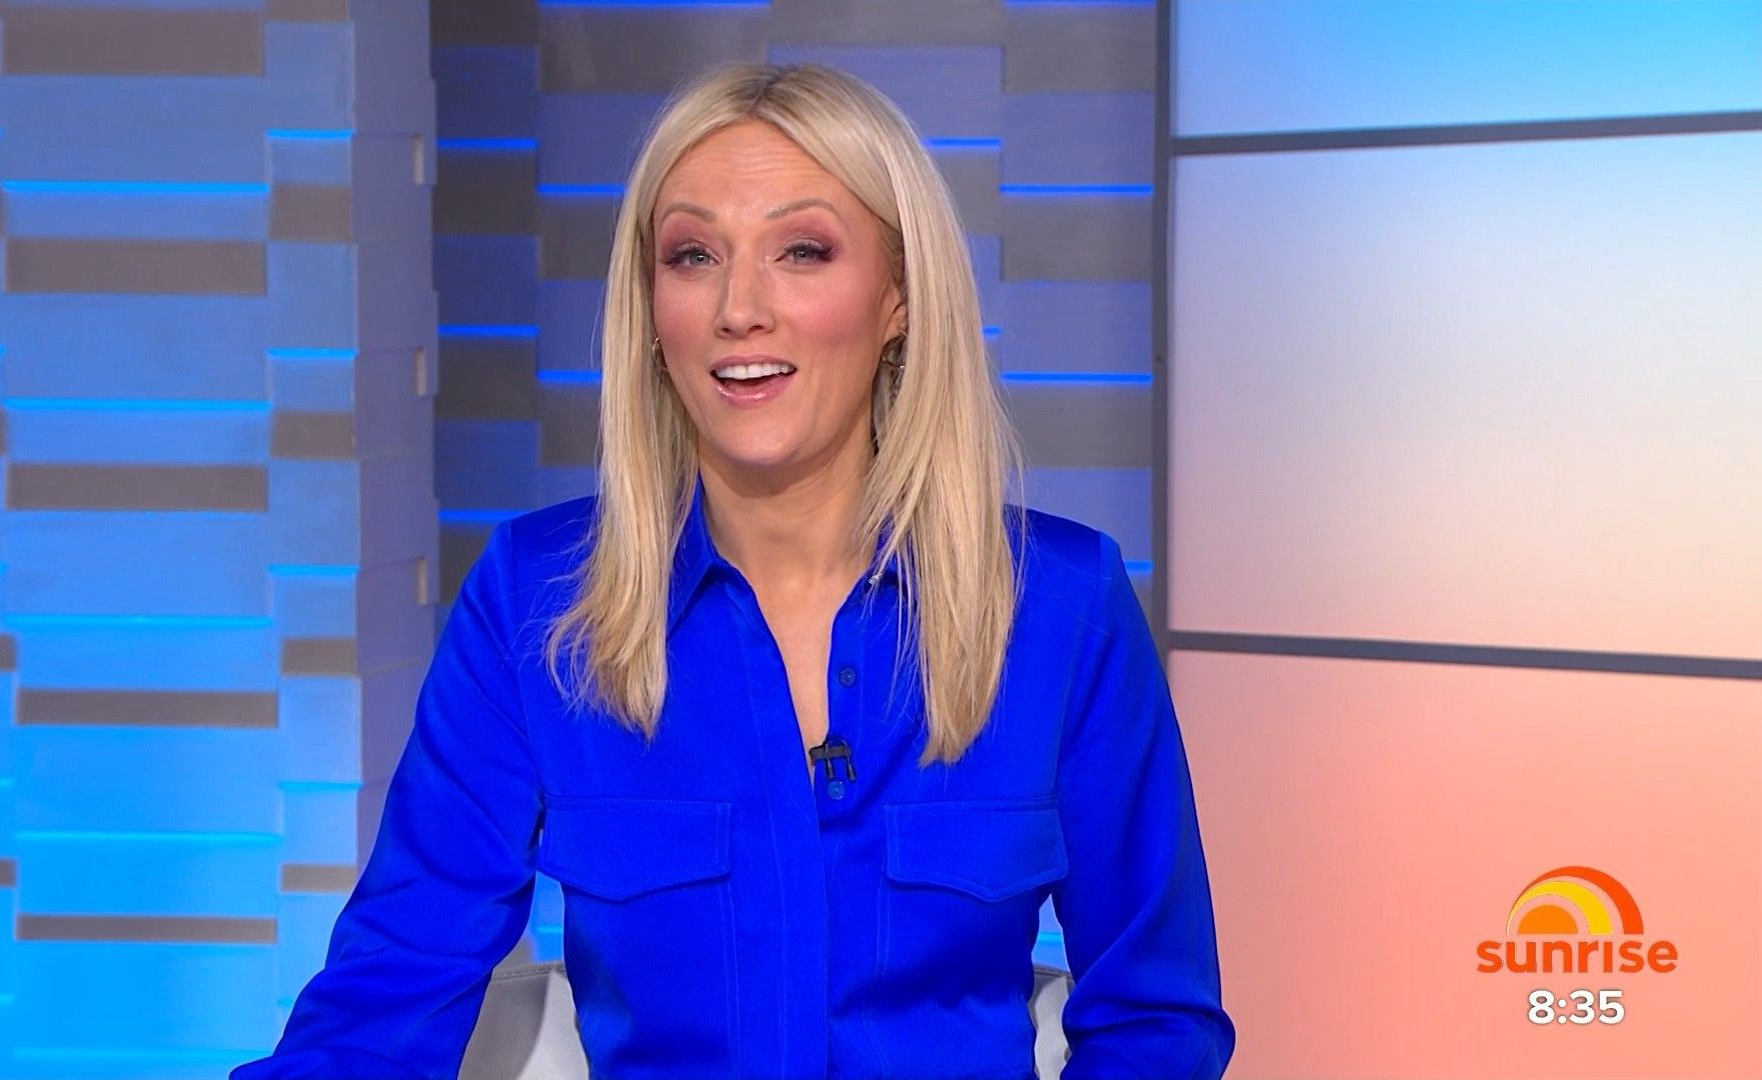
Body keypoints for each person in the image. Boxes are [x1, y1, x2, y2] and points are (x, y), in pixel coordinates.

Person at [233, 60, 1233, 1080]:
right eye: (693, 256)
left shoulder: (1062, 606)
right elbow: (386, 995)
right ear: (651, 307)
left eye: (802, 251)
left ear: (898, 296)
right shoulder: (533, 600)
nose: (738, 308)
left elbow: (1156, 1017)